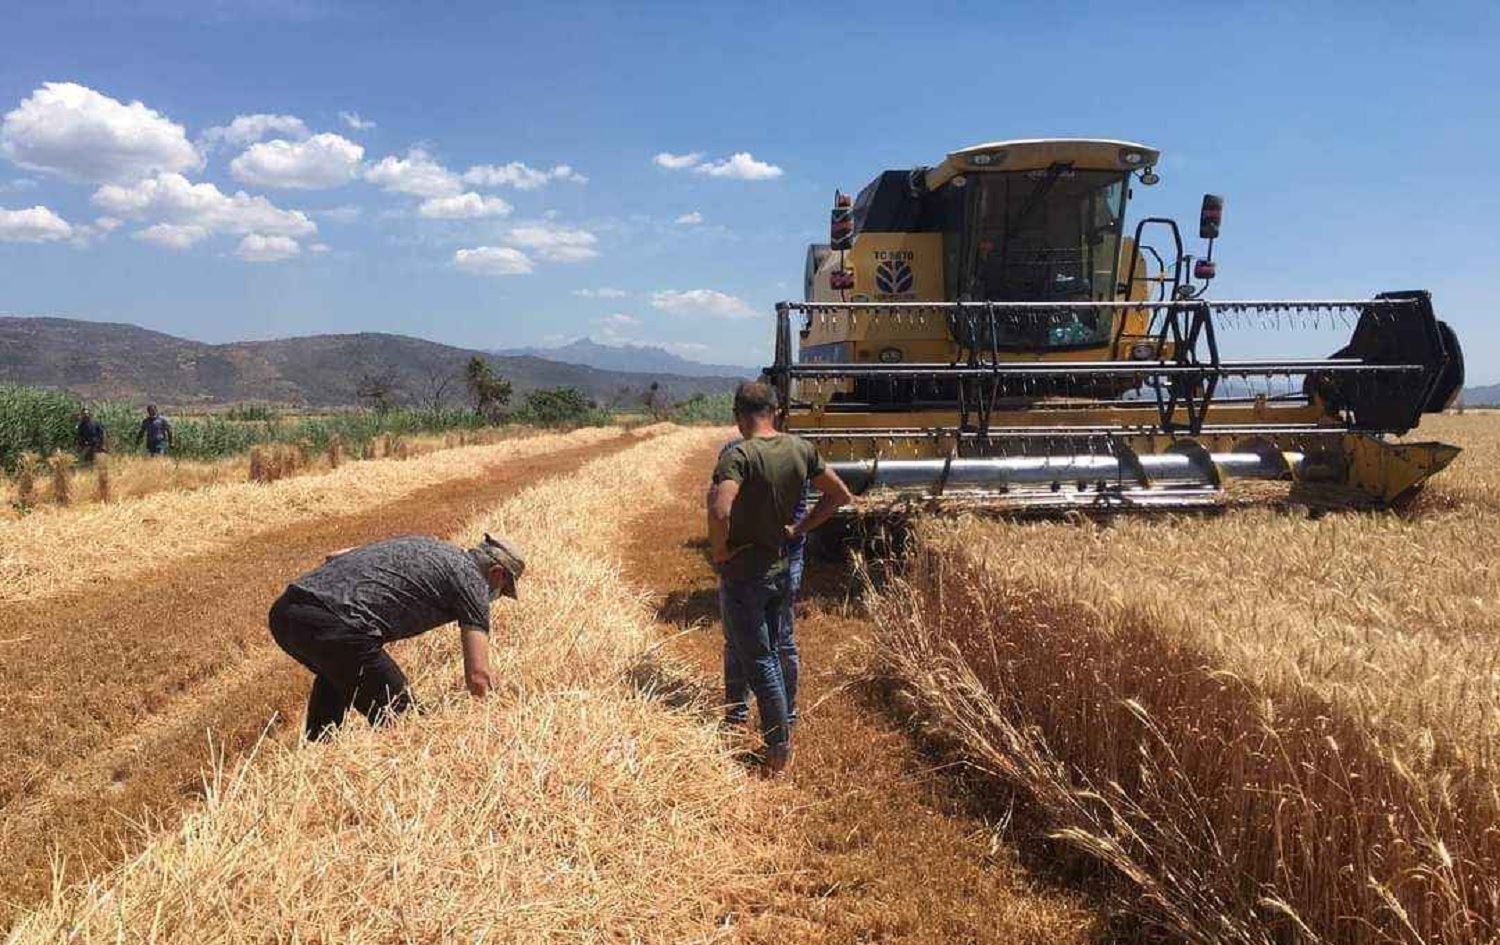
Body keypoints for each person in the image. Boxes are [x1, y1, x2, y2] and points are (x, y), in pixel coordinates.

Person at [708, 381, 852, 774]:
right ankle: (785, 721)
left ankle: (777, 746)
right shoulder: (801, 449)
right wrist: (800, 528)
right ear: (776, 411)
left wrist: (720, 551)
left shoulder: (738, 454)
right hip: (782, 567)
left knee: (759, 659)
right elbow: (840, 495)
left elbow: (720, 510)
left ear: (738, 415)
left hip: (745, 574)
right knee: (778, 647)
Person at [267, 533, 525, 741]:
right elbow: (478, 677)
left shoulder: (428, 544)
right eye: (503, 590)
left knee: (339, 676)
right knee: (406, 722)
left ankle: (320, 751)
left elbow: (335, 555)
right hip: (339, 626)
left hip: (287, 611)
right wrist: (494, 721)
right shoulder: (473, 583)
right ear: (497, 574)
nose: (496, 596)